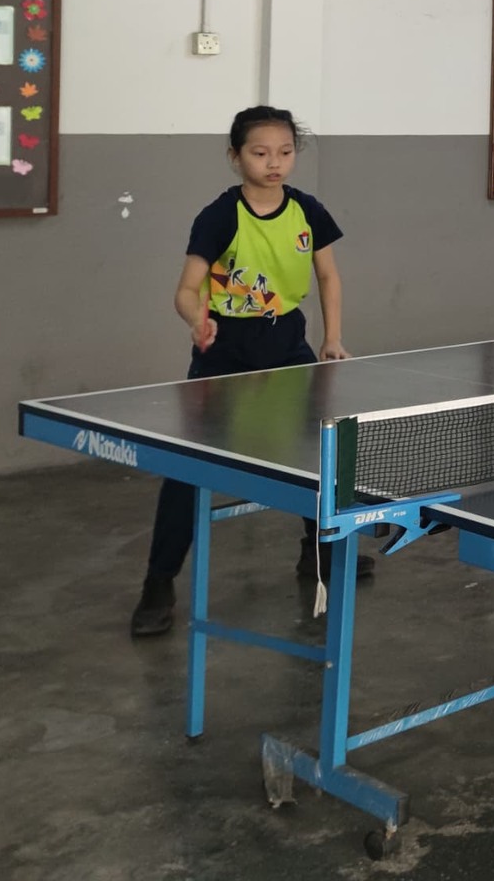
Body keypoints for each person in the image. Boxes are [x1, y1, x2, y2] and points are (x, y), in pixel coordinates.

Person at [129, 106, 353, 638]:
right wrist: (197, 320)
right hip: (224, 355)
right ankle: (158, 583)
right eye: (260, 153)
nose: (274, 163)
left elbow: (328, 276)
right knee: (186, 470)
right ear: (235, 157)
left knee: (318, 455)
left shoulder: (307, 210)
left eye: (285, 152)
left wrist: (332, 338)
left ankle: (317, 552)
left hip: (287, 347)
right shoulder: (219, 216)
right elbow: (186, 290)